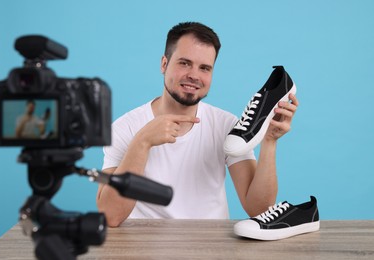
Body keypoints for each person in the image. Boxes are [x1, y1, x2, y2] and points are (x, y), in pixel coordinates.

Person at [97, 22, 299, 227]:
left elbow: (259, 209)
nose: (194, 75)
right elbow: (110, 216)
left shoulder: (226, 126)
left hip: (210, 246)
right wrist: (142, 142)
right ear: (164, 64)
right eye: (184, 63)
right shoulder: (124, 128)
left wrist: (270, 140)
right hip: (144, 248)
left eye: (204, 68)